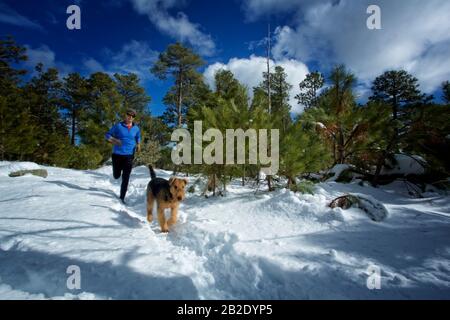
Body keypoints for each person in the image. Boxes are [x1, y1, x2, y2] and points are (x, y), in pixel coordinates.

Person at [105, 109, 141, 204]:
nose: (130, 117)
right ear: (125, 115)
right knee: (116, 175)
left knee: (126, 177)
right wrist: (114, 140)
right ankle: (117, 172)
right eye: (128, 115)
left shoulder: (136, 128)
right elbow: (107, 135)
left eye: (132, 116)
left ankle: (122, 198)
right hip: (117, 155)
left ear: (134, 118)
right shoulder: (118, 126)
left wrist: (138, 144)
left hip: (129, 156)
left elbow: (138, 136)